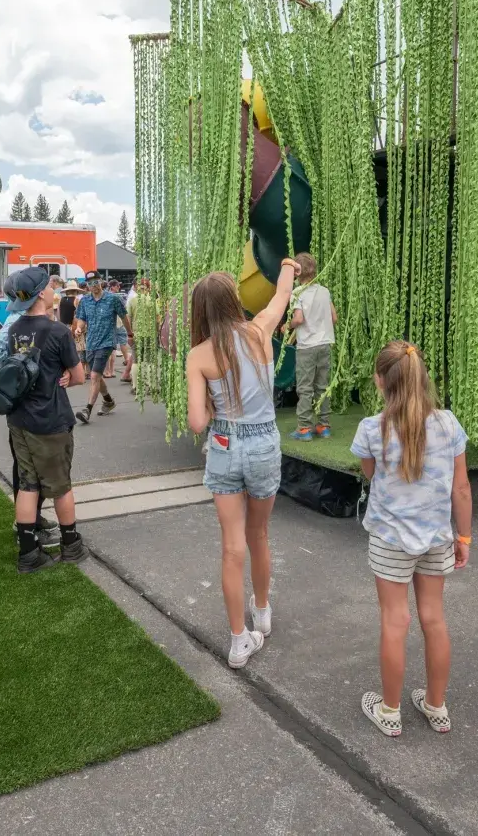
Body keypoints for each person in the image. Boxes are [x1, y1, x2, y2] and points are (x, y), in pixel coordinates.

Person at [353, 341, 472, 736]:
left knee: (394, 620)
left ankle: (389, 711)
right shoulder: (449, 424)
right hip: (437, 536)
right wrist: (464, 536)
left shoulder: (372, 428)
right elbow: (462, 489)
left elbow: (370, 474)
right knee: (433, 619)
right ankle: (436, 706)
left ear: (380, 381)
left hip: (390, 539)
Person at [186, 259, 297, 668]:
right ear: (234, 301)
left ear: (200, 310)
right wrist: (287, 266)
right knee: (260, 534)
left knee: (232, 549)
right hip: (264, 442)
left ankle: (238, 642)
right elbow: (281, 297)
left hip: (224, 445)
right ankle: (263, 612)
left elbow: (198, 421)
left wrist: (214, 405)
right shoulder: (258, 330)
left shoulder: (198, 355)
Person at [0, 267, 88, 573]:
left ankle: (28, 552)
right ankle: (71, 544)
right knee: (61, 486)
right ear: (40, 294)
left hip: (19, 419)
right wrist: (66, 375)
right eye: (50, 286)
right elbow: (79, 376)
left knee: (27, 483)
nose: (54, 290)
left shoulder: (14, 329)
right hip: (49, 420)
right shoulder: (58, 331)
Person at [288, 252, 337, 441]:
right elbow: (334, 318)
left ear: (297, 273)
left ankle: (304, 429)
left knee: (305, 387)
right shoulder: (325, 291)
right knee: (322, 386)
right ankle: (324, 426)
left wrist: (287, 325)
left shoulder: (297, 293)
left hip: (307, 346)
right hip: (325, 344)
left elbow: (298, 319)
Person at [73, 271, 132, 423]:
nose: (94, 286)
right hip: (91, 343)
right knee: (96, 375)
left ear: (101, 281)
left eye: (96, 282)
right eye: (90, 283)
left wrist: (130, 333)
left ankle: (87, 410)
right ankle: (108, 401)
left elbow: (124, 316)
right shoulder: (85, 301)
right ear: (87, 285)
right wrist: (79, 328)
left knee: (93, 376)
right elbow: (81, 319)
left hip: (107, 342)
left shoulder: (112, 299)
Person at [106, 278, 134, 382]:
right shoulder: (117, 297)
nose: (119, 287)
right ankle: (127, 359)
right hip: (119, 323)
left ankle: (108, 370)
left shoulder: (105, 296)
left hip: (111, 325)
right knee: (123, 342)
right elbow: (124, 312)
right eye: (117, 286)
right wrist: (130, 330)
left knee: (112, 347)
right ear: (112, 287)